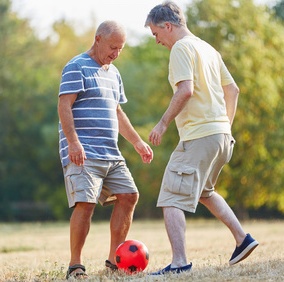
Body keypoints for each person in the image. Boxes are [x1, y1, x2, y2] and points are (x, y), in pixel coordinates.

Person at [144, 1, 258, 275]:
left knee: (171, 196)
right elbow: (233, 90)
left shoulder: (181, 48)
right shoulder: (208, 48)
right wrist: (224, 127)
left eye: (156, 34)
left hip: (199, 135)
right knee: (205, 192)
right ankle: (243, 239)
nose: (157, 41)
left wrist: (162, 124)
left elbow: (185, 90)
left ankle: (180, 263)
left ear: (167, 26)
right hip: (220, 136)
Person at [58, 20, 153, 279]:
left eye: (120, 49)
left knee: (129, 195)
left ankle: (114, 262)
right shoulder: (76, 67)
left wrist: (137, 141)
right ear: (98, 39)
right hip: (83, 151)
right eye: (113, 47)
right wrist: (73, 142)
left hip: (111, 152)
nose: (116, 53)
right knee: (85, 203)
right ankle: (75, 265)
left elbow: (117, 111)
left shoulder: (114, 72)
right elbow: (64, 105)